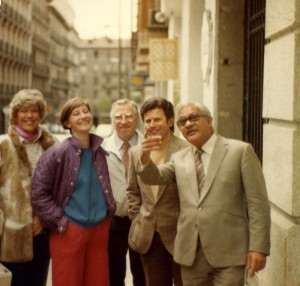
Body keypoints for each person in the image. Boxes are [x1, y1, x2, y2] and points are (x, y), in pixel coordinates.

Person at [136, 102, 271, 286]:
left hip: (229, 253)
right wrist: (144, 156)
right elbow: (154, 176)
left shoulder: (239, 151)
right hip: (191, 255)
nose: (188, 124)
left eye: (193, 117)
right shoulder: (180, 158)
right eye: (182, 121)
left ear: (209, 120)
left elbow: (258, 204)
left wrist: (258, 247)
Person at [31, 97, 116, 286]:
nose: (83, 116)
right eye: (76, 113)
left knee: (98, 283)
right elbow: (39, 194)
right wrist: (61, 220)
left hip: (99, 229)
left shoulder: (99, 151)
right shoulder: (57, 153)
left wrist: (109, 213)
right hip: (69, 230)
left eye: (86, 111)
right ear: (67, 123)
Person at [127, 97, 188, 286]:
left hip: (180, 234)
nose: (151, 124)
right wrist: (138, 218)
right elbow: (132, 191)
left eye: (157, 119)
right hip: (149, 236)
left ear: (170, 122)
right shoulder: (137, 152)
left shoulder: (186, 150)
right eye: (148, 120)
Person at [0, 89, 57, 286]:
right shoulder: (3, 145)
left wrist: (43, 217)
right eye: (23, 111)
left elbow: (59, 189)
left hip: (42, 233)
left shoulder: (51, 145)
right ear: (15, 115)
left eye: (34, 110)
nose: (29, 116)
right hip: (10, 236)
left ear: (41, 114)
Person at [102, 98, 146, 286]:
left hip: (144, 221)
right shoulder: (101, 148)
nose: (123, 121)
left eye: (128, 116)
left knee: (143, 275)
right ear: (111, 119)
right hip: (114, 222)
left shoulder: (149, 145)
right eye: (118, 117)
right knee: (114, 276)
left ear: (136, 118)